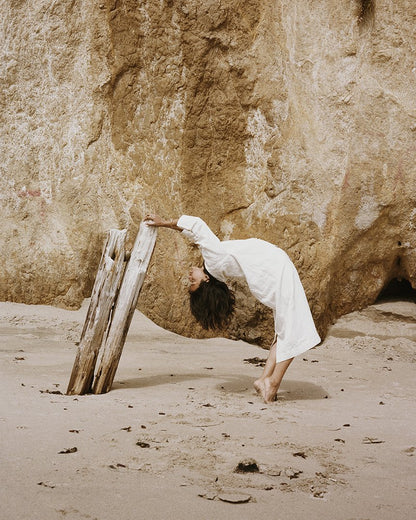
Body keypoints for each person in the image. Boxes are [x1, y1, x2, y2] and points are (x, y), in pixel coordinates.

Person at [145, 213, 321, 403]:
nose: (189, 277)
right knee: (294, 329)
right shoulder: (213, 261)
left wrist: (165, 225)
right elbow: (197, 225)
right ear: (205, 280)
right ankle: (272, 384)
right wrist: (163, 222)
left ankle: (264, 380)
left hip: (274, 271)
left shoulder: (215, 264)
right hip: (277, 269)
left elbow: (193, 232)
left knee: (285, 330)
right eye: (193, 282)